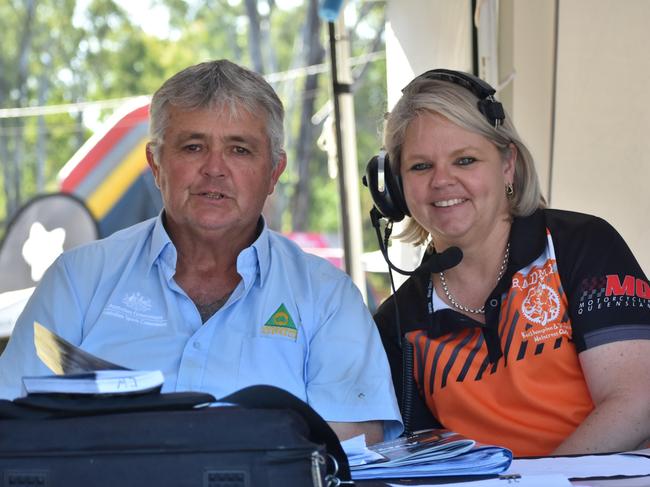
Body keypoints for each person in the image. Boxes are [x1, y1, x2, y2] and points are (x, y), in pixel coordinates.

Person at [0, 59, 402, 444]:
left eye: (239, 149)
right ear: (156, 164)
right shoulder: (78, 279)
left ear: (274, 172)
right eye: (193, 147)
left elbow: (354, 448)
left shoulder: (327, 296)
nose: (215, 168)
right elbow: (12, 421)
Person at [368, 68, 650, 456]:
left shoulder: (581, 244)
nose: (442, 181)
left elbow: (635, 402)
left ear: (507, 165)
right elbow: (421, 459)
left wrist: (543, 483)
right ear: (395, 189)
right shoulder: (398, 321)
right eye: (420, 166)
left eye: (465, 160)